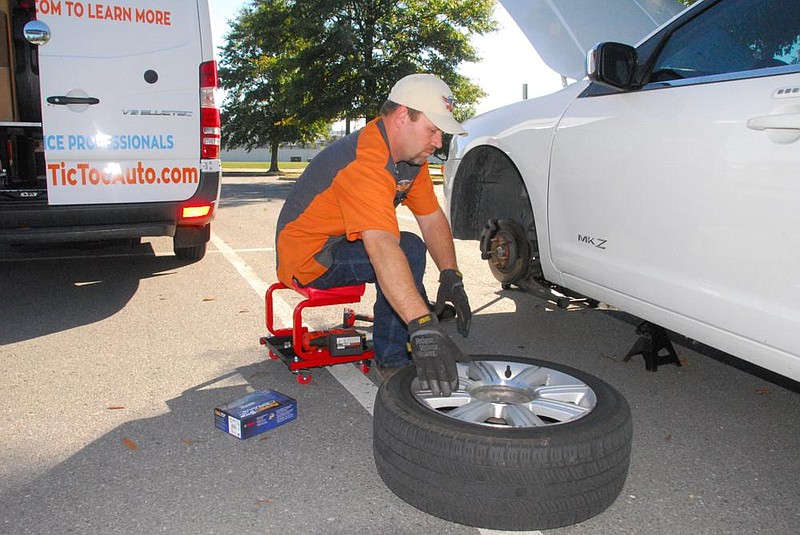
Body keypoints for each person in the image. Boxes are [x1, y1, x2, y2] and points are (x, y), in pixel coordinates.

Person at [275, 73, 472, 397]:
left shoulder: (411, 161)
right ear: (401, 117)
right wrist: (421, 325)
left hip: (341, 242)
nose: (438, 142)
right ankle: (392, 361)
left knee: (409, 245)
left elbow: (432, 218)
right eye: (432, 130)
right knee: (405, 250)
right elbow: (381, 245)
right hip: (309, 259)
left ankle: (407, 330)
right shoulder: (365, 161)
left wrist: (451, 276)